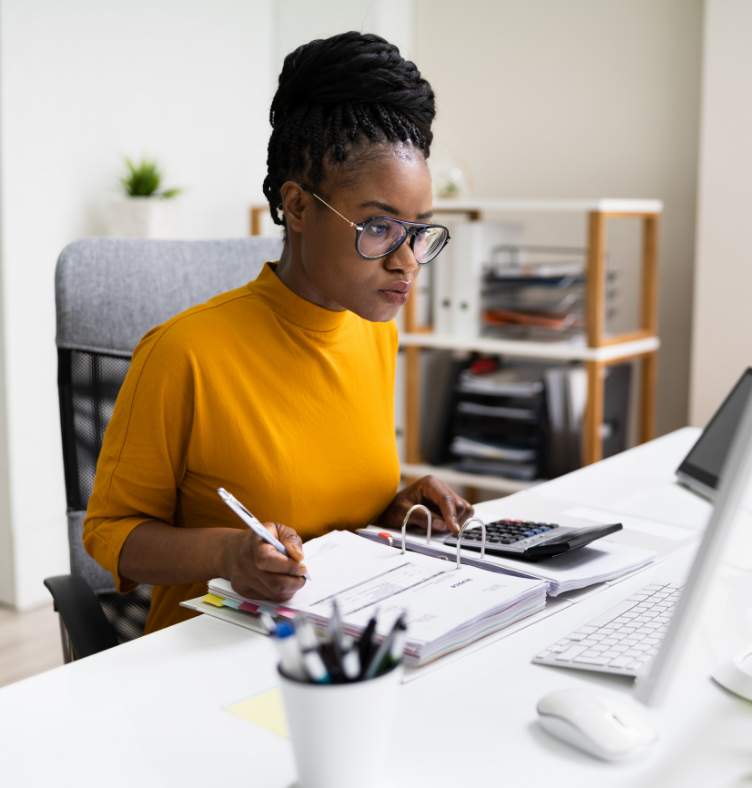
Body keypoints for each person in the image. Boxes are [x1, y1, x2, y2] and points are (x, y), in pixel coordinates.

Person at [84, 32, 474, 634]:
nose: (407, 262)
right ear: (297, 206)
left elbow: (332, 504)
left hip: (340, 640)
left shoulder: (374, 332)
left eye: (419, 231)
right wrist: (226, 554)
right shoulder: (184, 352)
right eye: (377, 228)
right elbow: (109, 534)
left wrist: (397, 507)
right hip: (209, 654)